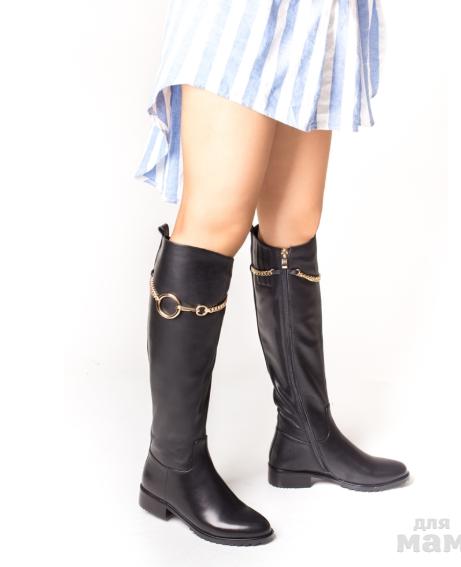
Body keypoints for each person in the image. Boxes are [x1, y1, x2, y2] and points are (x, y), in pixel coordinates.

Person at [134, 0, 409, 546]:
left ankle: (305, 434)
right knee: (215, 218)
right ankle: (172, 464)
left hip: (319, 12)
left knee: (294, 219)